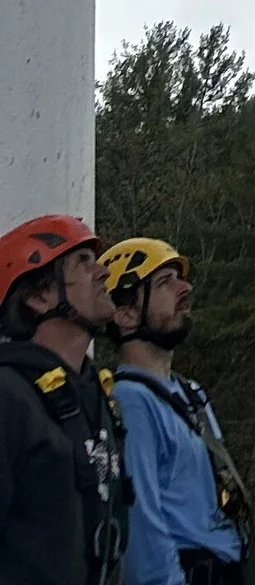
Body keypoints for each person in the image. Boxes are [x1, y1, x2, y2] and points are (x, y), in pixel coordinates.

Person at [96, 245, 255, 585]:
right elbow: (142, 530)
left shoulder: (190, 394)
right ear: (124, 314)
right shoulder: (131, 402)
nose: (186, 289)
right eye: (166, 282)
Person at [0, 216, 127, 585]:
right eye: (83, 261)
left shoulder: (95, 395)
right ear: (40, 297)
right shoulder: (9, 398)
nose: (103, 272)